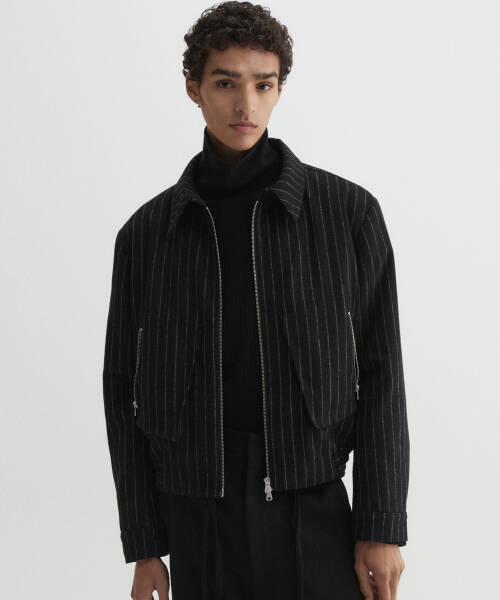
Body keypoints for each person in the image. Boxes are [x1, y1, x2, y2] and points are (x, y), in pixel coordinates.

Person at [102, 2, 410, 599]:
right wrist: (144, 544)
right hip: (196, 517)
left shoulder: (347, 214)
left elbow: (381, 373)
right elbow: (122, 388)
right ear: (193, 88)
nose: (246, 105)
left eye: (263, 85)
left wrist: (380, 525)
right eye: (225, 84)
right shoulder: (147, 235)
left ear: (278, 89)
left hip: (315, 509)